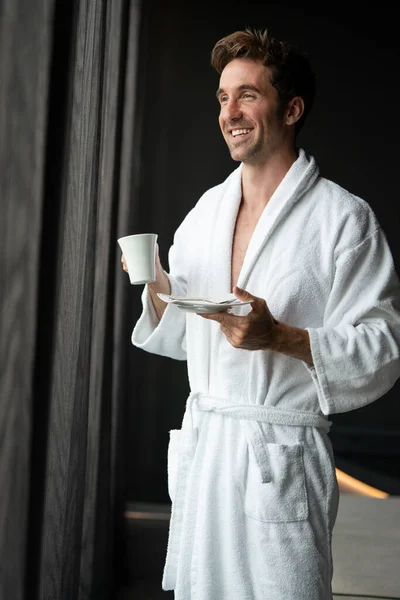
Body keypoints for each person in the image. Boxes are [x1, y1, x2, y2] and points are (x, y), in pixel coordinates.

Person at [121, 27, 400, 600]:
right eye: (223, 97)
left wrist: (282, 338)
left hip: (280, 458)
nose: (230, 111)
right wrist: (156, 289)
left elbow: (384, 346)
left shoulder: (344, 220)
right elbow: (182, 332)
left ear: (291, 108)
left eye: (248, 94)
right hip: (209, 449)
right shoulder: (204, 213)